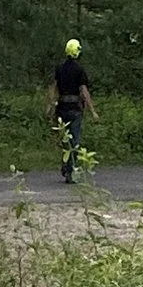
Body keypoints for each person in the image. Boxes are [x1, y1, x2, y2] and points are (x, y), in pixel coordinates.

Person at [49, 39, 95, 181]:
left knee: (64, 138)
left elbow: (54, 88)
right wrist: (92, 110)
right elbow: (83, 91)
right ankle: (71, 171)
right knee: (74, 140)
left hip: (61, 107)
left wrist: (50, 106)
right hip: (75, 109)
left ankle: (65, 164)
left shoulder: (60, 68)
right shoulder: (79, 70)